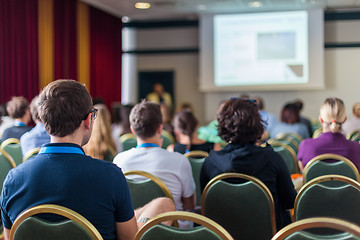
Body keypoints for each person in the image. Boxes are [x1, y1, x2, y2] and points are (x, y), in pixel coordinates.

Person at [0, 80, 175, 240]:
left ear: (45, 121)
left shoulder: (13, 180)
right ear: (88, 121)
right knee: (164, 205)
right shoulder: (110, 176)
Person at [200, 98, 297, 230]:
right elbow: (289, 201)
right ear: (257, 124)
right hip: (269, 234)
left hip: (225, 235)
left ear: (223, 125)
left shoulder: (210, 163)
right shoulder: (273, 159)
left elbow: (208, 205)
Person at [113, 101, 196, 227]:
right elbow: (189, 207)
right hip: (172, 231)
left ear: (132, 130)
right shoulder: (180, 160)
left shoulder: (119, 161)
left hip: (133, 229)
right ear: (160, 128)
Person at [297, 97, 360, 171]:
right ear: (345, 119)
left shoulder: (305, 146)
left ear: (320, 119)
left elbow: (304, 174)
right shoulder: (357, 148)